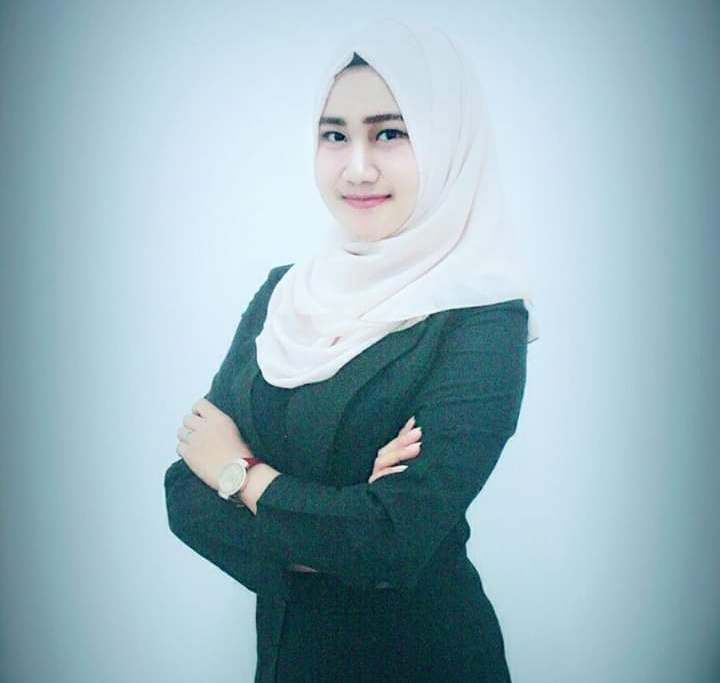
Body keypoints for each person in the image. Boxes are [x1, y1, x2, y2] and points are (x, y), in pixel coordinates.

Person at [164, 18, 539, 683]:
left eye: (390, 133)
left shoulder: (484, 320)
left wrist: (241, 474)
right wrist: (343, 527)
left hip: (423, 661)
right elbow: (184, 495)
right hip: (288, 659)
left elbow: (393, 540)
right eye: (335, 134)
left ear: (448, 142)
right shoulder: (285, 293)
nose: (357, 167)